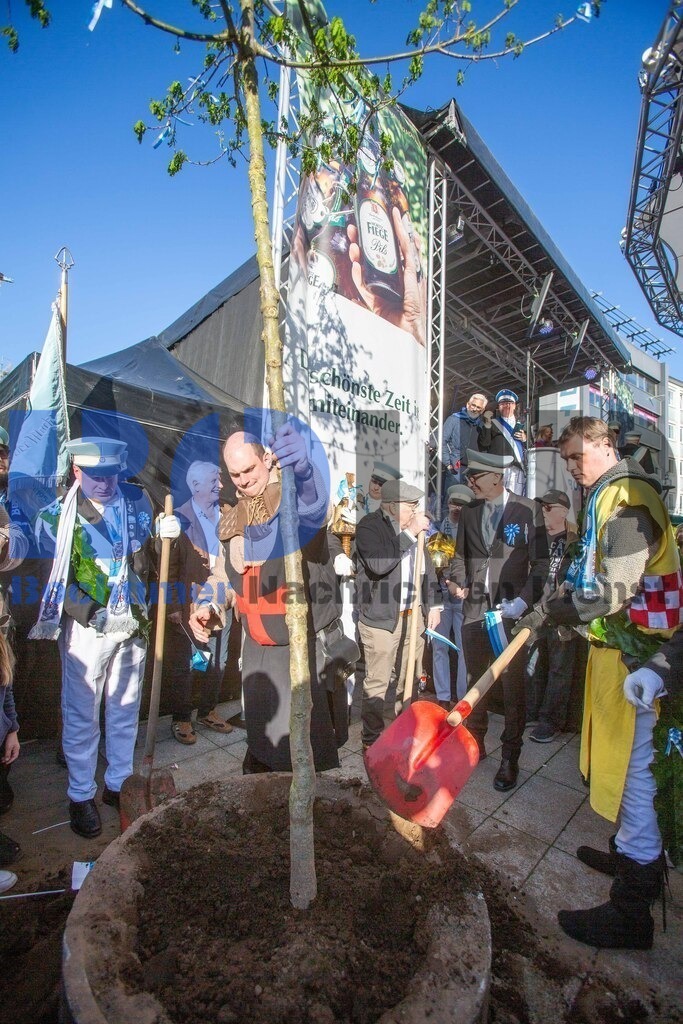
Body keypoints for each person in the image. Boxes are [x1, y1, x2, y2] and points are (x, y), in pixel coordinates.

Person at [513, 416, 683, 949]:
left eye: (577, 456)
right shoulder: (606, 496)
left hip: (645, 666)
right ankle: (630, 851)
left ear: (606, 445)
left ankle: (632, 910)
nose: (572, 469)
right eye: (564, 461)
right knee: (620, 765)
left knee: (637, 777)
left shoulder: (629, 498)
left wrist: (555, 615)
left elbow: (615, 589)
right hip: (621, 656)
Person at [32, 437, 181, 838]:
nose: (103, 483)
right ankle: (81, 794)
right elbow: (56, 583)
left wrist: (164, 533)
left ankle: (118, 783)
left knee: (124, 705)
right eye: (94, 475)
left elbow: (146, 558)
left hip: (133, 623)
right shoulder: (55, 517)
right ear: (76, 472)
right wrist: (96, 615)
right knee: (82, 713)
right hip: (88, 629)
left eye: (110, 474)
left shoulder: (138, 503)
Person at [189, 423, 350, 773]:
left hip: (301, 653)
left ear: (266, 458)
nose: (244, 480)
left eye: (249, 469)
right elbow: (223, 576)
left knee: (305, 763)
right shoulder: (233, 518)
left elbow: (315, 508)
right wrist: (208, 604)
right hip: (258, 653)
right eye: (235, 474)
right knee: (264, 755)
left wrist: (304, 470)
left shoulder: (293, 498)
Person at [449, 449, 549, 790]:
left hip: (510, 614)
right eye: (469, 479)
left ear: (497, 477)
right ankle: (474, 744)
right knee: (477, 680)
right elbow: (459, 556)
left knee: (511, 686)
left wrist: (523, 600)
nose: (470, 484)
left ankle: (510, 756)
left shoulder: (528, 509)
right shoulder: (470, 512)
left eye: (474, 478)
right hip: (475, 610)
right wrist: (457, 580)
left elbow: (541, 566)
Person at [354, 479, 442, 749]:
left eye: (417, 506)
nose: (416, 512)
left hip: (412, 617)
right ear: (391, 507)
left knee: (410, 678)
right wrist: (409, 533)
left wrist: (434, 604)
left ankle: (404, 731)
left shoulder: (415, 532)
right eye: (411, 506)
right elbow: (378, 564)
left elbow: (426, 570)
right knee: (378, 683)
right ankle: (372, 739)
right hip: (380, 620)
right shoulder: (370, 526)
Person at [168, 461, 233, 745]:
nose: (221, 485)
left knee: (219, 661)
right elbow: (168, 568)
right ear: (195, 486)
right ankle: (182, 718)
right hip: (190, 605)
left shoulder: (231, 513)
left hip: (224, 601)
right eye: (214, 481)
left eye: (220, 480)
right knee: (189, 665)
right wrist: (172, 606)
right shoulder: (177, 519)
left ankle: (208, 711)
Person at [525, 490, 578, 742]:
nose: (543, 513)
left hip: (561, 613)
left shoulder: (577, 539)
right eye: (541, 508)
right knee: (534, 662)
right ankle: (534, 712)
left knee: (559, 667)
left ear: (563, 511)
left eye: (548, 508)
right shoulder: (536, 537)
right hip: (536, 609)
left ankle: (551, 721)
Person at [430, 483, 475, 706]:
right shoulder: (437, 530)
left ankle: (462, 697)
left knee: (464, 649)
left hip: (463, 596)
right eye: (453, 503)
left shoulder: (474, 532)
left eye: (461, 505)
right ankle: (443, 697)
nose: (456, 508)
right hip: (440, 596)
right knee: (439, 647)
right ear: (447, 504)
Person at [479, 389, 527, 494]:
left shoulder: (523, 425)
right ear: (499, 407)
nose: (507, 406)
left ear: (514, 406)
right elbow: (484, 444)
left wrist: (525, 439)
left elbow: (531, 447)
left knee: (515, 500)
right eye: (503, 404)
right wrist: (487, 425)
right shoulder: (492, 423)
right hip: (498, 469)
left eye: (509, 403)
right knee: (497, 499)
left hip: (516, 469)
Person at [440, 392, 487, 497]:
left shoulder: (482, 426)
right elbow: (442, 441)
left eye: (478, 407)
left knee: (469, 504)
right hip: (456, 468)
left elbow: (484, 447)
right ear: (467, 405)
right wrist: (448, 463)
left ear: (482, 410)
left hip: (473, 470)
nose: (474, 409)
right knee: (451, 502)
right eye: (473, 405)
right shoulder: (454, 419)